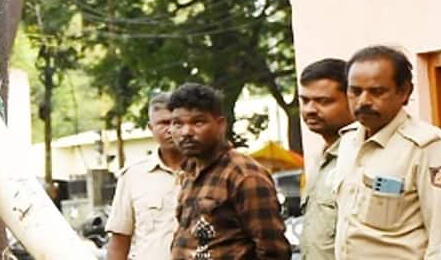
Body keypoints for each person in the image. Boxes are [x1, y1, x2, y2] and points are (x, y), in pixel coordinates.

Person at [333, 46, 441, 260]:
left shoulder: (428, 145)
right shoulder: (348, 142)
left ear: (404, 92)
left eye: (377, 92)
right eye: (355, 91)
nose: (363, 101)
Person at [168, 83, 290, 260]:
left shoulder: (244, 175)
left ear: (220, 124)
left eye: (198, 122)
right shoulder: (189, 173)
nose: (186, 132)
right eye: (178, 124)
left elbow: (273, 251)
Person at [105, 92, 183, 260]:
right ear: (150, 128)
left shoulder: (209, 172)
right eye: (163, 123)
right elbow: (119, 242)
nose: (170, 129)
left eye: (176, 123)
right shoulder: (133, 176)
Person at [298, 58, 355, 260]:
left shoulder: (361, 156)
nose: (310, 110)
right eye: (305, 101)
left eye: (323, 101)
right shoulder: (320, 159)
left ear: (351, 99)